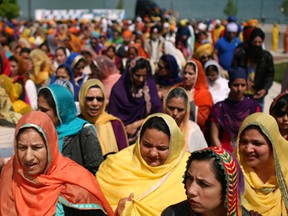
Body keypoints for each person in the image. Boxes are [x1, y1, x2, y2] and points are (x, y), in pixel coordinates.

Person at [0, 111, 114, 215]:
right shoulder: (10, 173)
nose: (28, 157)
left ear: (51, 147)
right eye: (22, 147)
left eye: (36, 147)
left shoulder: (75, 184)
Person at [96, 113, 190, 216]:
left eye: (161, 148)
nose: (153, 153)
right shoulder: (115, 165)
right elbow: (95, 205)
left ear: (174, 147)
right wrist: (117, 211)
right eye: (147, 145)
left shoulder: (187, 169)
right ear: (139, 140)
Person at [38, 84, 103, 174]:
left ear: (60, 111)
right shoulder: (40, 131)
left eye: (44, 110)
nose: (39, 113)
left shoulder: (84, 130)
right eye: (38, 108)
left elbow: (95, 169)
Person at [162, 146, 245, 216]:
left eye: (204, 184)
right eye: (189, 178)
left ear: (228, 190)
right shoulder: (173, 213)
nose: (191, 191)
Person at [236, 112, 288, 215]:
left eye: (257, 143)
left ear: (273, 146)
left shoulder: (285, 177)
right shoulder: (232, 176)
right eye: (243, 142)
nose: (248, 149)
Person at [108, 57, 162, 144]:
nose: (141, 79)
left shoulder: (149, 86)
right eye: (137, 75)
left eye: (144, 76)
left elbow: (158, 113)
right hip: (121, 135)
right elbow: (113, 117)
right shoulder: (119, 90)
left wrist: (136, 125)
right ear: (130, 73)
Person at [210, 67, 260, 153]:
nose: (239, 89)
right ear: (229, 85)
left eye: (243, 85)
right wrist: (224, 157)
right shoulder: (219, 108)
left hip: (248, 152)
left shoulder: (253, 106)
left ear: (247, 86)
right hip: (225, 152)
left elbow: (258, 133)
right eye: (236, 85)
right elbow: (214, 136)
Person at [78, 79, 128, 157]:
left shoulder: (114, 124)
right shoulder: (76, 125)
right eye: (90, 99)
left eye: (99, 99)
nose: (95, 103)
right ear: (82, 100)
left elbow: (124, 156)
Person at [232, 27, 274, 111]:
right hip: (241, 94)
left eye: (260, 42)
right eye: (255, 42)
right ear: (250, 41)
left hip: (258, 94)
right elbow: (234, 70)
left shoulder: (267, 56)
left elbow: (270, 75)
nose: (257, 44)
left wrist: (265, 89)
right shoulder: (241, 54)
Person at [164, 87, 207, 152]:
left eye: (180, 110)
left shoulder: (193, 131)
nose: (175, 113)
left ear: (187, 110)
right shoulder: (156, 128)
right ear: (165, 106)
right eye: (171, 108)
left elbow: (204, 158)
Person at [176, 59, 213, 132]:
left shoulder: (204, 94)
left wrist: (191, 102)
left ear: (197, 75)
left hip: (194, 131)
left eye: (190, 74)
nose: (186, 76)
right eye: (185, 73)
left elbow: (201, 121)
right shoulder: (177, 88)